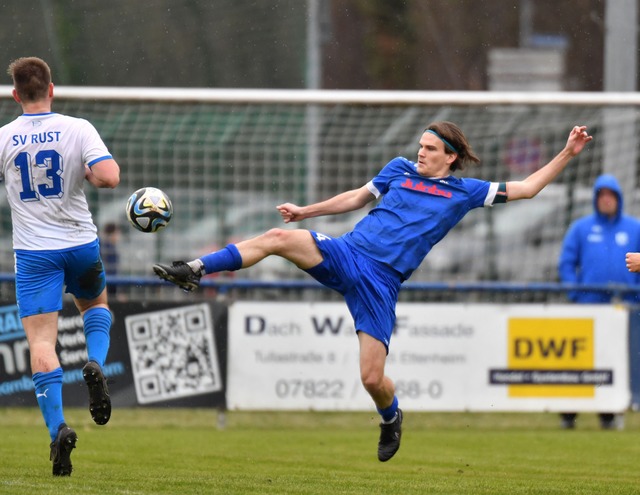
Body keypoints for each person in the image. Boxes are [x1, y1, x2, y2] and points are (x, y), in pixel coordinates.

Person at [153, 122, 592, 462]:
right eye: (421, 145)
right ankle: (194, 269)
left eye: (431, 148)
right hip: (347, 253)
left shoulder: (465, 192)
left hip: (381, 282)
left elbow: (529, 188)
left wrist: (567, 153)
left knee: (371, 378)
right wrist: (307, 210)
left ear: (451, 157)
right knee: (276, 238)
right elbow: (356, 198)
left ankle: (390, 416)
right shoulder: (398, 169)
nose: (421, 152)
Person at [0, 57, 120, 476]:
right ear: (52, 89)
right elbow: (110, 177)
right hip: (80, 244)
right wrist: (88, 172)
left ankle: (58, 431)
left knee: (41, 343)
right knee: (96, 305)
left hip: (34, 255)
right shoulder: (77, 127)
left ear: (15, 95)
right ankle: (97, 365)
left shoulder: (4, 137)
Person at [558, 174, 640, 430]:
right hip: (589, 308)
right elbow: (566, 263)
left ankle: (609, 412)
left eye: (611, 195)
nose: (606, 200)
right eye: (601, 195)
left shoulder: (634, 228)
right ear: (595, 199)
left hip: (624, 309)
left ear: (618, 198)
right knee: (581, 360)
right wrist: (576, 292)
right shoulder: (581, 228)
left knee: (614, 361)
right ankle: (568, 413)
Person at [100, 222, 121, 298]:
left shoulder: (109, 248)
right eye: (117, 233)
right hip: (106, 290)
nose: (119, 236)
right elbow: (110, 273)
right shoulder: (107, 250)